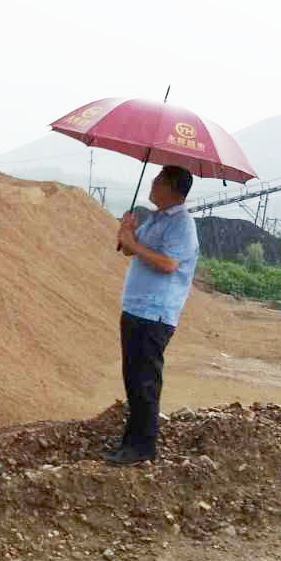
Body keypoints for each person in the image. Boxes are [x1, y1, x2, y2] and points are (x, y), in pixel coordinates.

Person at [107, 165, 199, 465]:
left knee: (145, 380)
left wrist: (135, 244)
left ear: (174, 189)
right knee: (133, 378)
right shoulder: (156, 218)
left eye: (159, 180)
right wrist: (128, 231)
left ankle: (143, 448)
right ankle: (130, 443)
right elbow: (129, 251)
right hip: (135, 307)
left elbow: (170, 263)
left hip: (155, 313)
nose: (153, 183)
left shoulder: (182, 224)